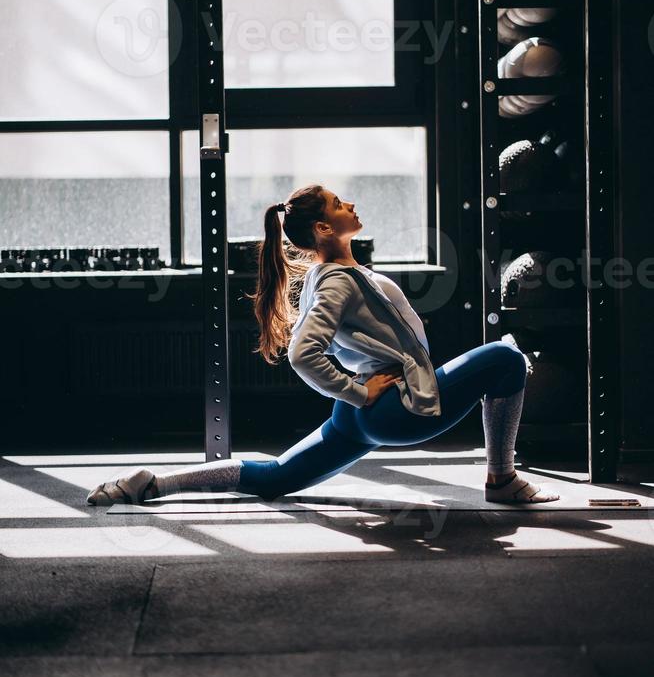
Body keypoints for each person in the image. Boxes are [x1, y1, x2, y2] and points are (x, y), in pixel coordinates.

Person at [87, 184, 559, 507]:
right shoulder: (337, 281)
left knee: (276, 479)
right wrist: (361, 391)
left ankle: (153, 484)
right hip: (393, 408)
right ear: (323, 229)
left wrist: (356, 396)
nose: (348, 203)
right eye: (337, 203)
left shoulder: (325, 275)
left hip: (355, 417)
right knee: (505, 358)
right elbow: (303, 352)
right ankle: (501, 478)